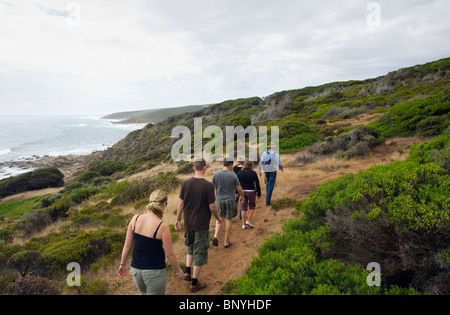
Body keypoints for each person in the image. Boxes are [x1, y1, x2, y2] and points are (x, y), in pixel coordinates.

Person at [118, 189, 184, 295]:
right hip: (154, 272)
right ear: (164, 204)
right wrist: (178, 270)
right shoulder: (163, 226)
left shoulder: (135, 219)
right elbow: (169, 254)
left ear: (149, 201)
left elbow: (127, 245)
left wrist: (122, 264)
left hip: (136, 270)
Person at [175, 159, 222, 293]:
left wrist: (178, 219)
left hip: (188, 222)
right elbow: (212, 207)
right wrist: (218, 218)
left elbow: (180, 204)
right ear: (205, 168)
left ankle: (187, 272)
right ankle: (195, 283)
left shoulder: (185, 183)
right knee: (200, 251)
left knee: (190, 245)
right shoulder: (208, 186)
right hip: (201, 224)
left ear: (194, 168)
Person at [212, 160, 244, 248]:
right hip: (230, 199)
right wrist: (242, 197)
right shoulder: (233, 175)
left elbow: (212, 187)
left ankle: (215, 236)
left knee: (220, 218)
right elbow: (239, 188)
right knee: (228, 220)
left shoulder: (216, 174)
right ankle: (226, 242)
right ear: (230, 165)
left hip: (219, 200)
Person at [237, 161, 261, 230]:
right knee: (252, 206)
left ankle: (243, 224)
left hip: (243, 191)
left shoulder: (240, 173)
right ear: (251, 165)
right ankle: (248, 220)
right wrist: (259, 193)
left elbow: (237, 183)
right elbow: (257, 183)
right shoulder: (253, 173)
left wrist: (237, 192)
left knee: (243, 207)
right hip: (251, 191)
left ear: (244, 165)